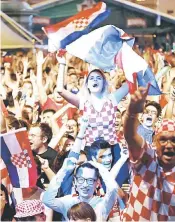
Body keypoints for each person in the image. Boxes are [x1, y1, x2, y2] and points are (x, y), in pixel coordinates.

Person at [122, 86, 175, 221]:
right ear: (155, 141)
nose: (168, 146)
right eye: (163, 140)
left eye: (174, 140)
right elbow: (130, 136)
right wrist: (131, 112)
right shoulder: (146, 158)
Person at [56, 54, 130, 186]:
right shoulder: (83, 102)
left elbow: (130, 84)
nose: (95, 80)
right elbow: (60, 90)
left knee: (116, 184)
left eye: (98, 78)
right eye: (92, 78)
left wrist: (121, 61)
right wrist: (62, 63)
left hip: (113, 148)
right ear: (87, 84)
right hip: (92, 149)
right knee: (96, 184)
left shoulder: (112, 99)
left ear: (104, 83)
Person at [42, 158, 119, 221]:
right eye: (81, 179)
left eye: (90, 180)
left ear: (97, 182)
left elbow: (113, 188)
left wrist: (101, 168)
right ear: (75, 181)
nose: (85, 185)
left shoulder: (102, 204)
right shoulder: (68, 202)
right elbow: (47, 200)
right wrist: (63, 170)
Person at [28, 123, 57, 188]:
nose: (29, 138)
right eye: (28, 135)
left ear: (44, 139)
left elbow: (59, 183)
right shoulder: (27, 155)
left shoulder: (55, 157)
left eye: (33, 135)